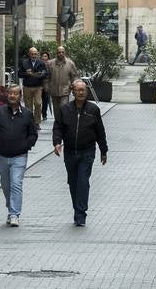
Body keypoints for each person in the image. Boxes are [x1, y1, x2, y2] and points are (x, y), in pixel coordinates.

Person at [52, 79, 108, 226]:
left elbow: (100, 131)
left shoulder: (93, 110)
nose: (81, 92)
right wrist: (57, 143)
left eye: (83, 90)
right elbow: (58, 127)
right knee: (73, 182)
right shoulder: (65, 109)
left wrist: (104, 150)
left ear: (86, 92)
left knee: (83, 182)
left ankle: (80, 214)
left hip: (87, 152)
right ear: (73, 92)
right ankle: (77, 208)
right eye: (78, 90)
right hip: (70, 152)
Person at [0, 85, 38, 227]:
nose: (12, 96)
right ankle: (10, 208)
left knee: (16, 184)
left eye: (16, 94)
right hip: (2, 155)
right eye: (10, 93)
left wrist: (26, 146)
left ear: (20, 96)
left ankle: (14, 214)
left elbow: (33, 134)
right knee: (6, 186)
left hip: (19, 156)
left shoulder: (27, 114)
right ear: (7, 95)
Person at [18, 46, 48, 129]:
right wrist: (26, 73)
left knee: (38, 103)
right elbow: (19, 74)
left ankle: (37, 122)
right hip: (27, 86)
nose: (34, 55)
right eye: (32, 54)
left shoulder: (41, 63)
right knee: (28, 106)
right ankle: (30, 123)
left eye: (35, 54)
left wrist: (41, 74)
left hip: (38, 86)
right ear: (29, 54)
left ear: (37, 54)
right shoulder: (24, 63)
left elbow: (46, 73)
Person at [45, 46, 79, 115]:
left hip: (65, 90)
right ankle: (58, 123)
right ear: (56, 53)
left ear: (65, 53)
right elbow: (46, 77)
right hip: (54, 90)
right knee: (56, 110)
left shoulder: (70, 63)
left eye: (62, 52)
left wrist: (74, 84)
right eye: (59, 52)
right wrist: (46, 86)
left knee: (63, 107)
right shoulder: (50, 63)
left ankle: (64, 123)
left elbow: (75, 76)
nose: (61, 54)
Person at [40, 51, 52, 120]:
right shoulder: (38, 64)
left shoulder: (50, 64)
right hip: (39, 84)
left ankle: (44, 114)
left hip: (47, 84)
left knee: (45, 100)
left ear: (48, 57)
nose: (44, 57)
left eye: (45, 56)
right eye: (43, 56)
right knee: (38, 101)